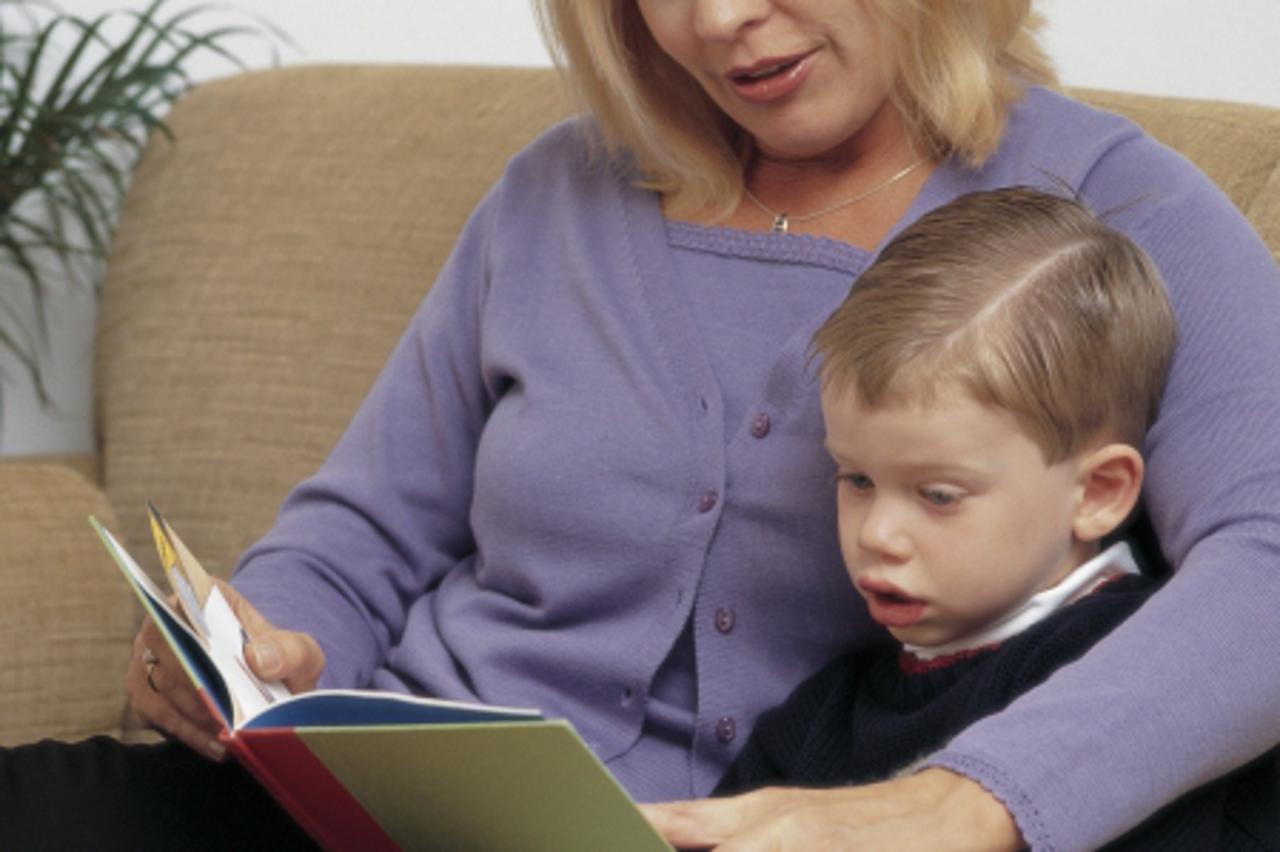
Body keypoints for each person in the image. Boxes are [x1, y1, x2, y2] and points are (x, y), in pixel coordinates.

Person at [2, 1, 1279, 849]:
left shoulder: (1105, 217)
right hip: (376, 809)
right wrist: (261, 648)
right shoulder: (554, 191)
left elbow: (1265, 559)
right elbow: (361, 529)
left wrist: (966, 802)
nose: (716, 20)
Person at [693, 185, 1278, 848]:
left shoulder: (1159, 692)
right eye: (857, 479)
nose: (876, 535)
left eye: (938, 496)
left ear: (1098, 493)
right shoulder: (820, 719)